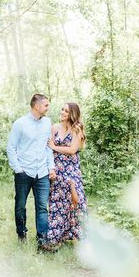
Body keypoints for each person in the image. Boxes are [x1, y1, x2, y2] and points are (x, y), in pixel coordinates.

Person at [6, 94, 57, 252]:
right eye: (46, 105)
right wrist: (18, 170)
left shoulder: (47, 122)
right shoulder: (20, 124)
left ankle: (42, 241)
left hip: (42, 172)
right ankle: (22, 235)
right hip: (24, 172)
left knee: (42, 207)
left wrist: (51, 167)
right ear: (36, 106)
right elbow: (11, 148)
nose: (48, 107)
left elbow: (47, 147)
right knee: (20, 206)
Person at [47, 102, 87, 247]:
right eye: (62, 109)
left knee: (77, 201)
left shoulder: (77, 129)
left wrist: (54, 147)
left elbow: (72, 150)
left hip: (71, 170)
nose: (62, 112)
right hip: (57, 169)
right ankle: (58, 235)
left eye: (66, 111)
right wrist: (50, 167)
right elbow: (48, 148)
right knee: (58, 202)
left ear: (72, 114)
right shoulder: (54, 128)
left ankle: (81, 235)